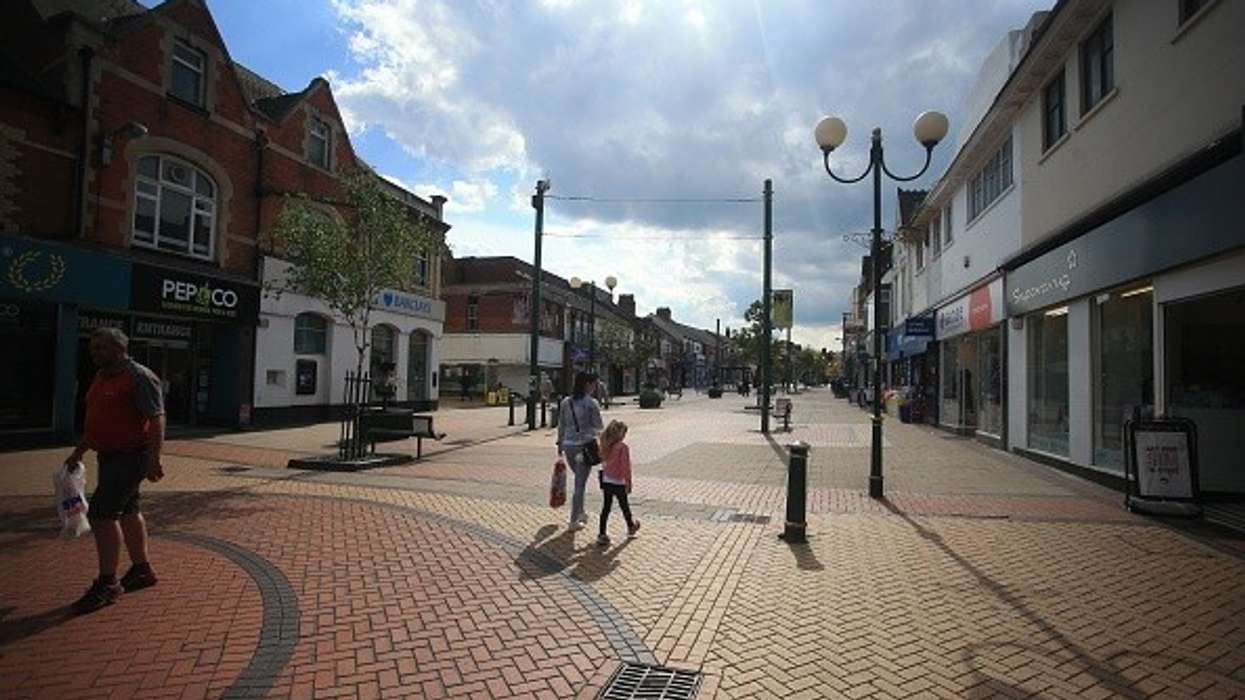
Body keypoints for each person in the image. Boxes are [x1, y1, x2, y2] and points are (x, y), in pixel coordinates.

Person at [66, 328, 165, 614]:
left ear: (120, 348)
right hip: (108, 456)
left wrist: (154, 459)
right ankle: (141, 570)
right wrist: (79, 451)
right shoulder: (101, 377)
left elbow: (156, 419)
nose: (95, 353)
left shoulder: (139, 377)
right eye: (93, 348)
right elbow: (98, 420)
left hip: (130, 457)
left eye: (101, 348)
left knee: (101, 514)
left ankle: (108, 584)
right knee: (128, 510)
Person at [556, 372, 603, 531]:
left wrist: (560, 445)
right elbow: (598, 426)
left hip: (568, 446)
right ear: (587, 384)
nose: (596, 387)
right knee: (580, 485)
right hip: (585, 447)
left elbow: (561, 425)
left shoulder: (566, 402)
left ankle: (581, 512)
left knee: (578, 480)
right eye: (594, 384)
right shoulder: (591, 403)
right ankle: (573, 520)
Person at [596, 420, 639, 546]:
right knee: (624, 505)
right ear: (620, 434)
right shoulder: (622, 447)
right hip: (618, 481)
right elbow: (626, 467)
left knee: (606, 507)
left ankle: (601, 533)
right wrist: (628, 482)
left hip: (607, 480)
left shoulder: (605, 444)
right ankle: (630, 526)